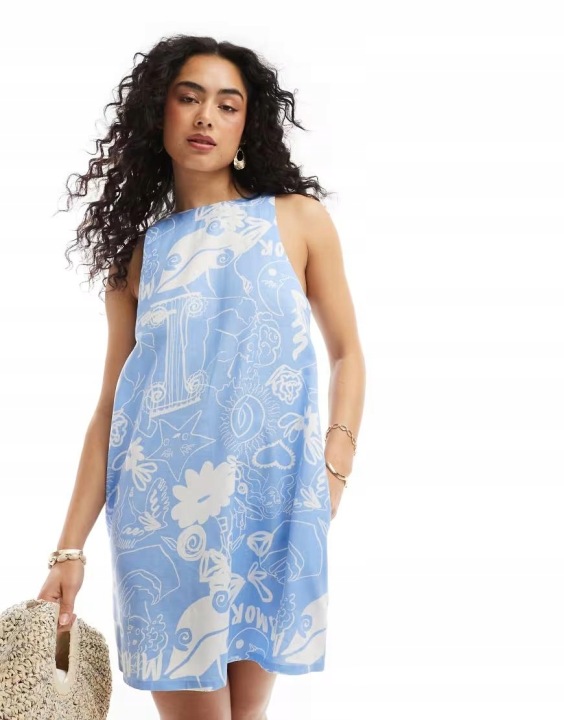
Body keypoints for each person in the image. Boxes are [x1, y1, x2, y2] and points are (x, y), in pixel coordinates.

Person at [37, 34, 365, 720]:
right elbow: (111, 406)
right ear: (159, 113)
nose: (206, 116)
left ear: (247, 124)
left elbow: (347, 353)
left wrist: (334, 465)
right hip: (162, 515)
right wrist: (70, 548)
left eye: (227, 104)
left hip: (268, 504)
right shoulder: (137, 257)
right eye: (189, 98)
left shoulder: (296, 220)